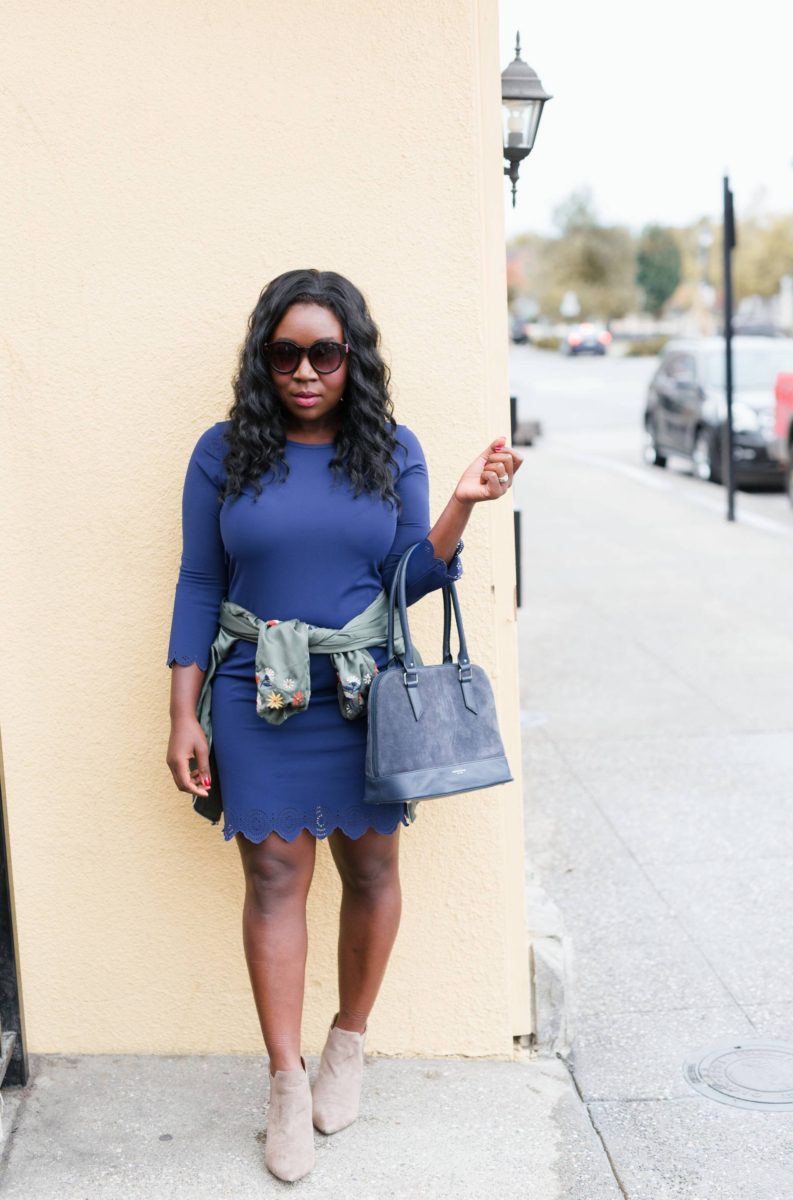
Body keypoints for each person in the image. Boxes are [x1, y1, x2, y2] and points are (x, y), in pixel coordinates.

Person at [164, 268, 522, 1182]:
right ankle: (285, 1085)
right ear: (263, 361)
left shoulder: (389, 448)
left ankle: (347, 1045)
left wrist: (460, 507)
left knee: (371, 866)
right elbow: (200, 583)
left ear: (351, 356)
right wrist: (182, 712)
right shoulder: (224, 452)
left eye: (324, 351)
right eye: (285, 353)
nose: (305, 370)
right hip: (255, 691)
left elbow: (409, 581)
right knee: (275, 876)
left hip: (364, 692)